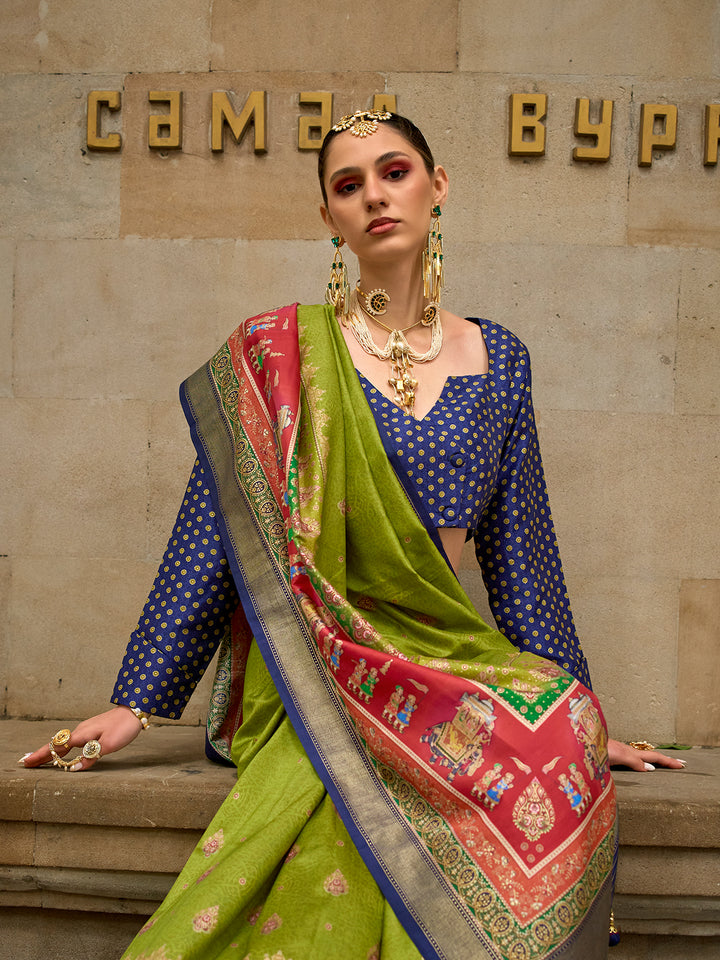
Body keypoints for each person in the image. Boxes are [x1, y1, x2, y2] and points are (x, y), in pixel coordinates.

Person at [21, 110, 684, 960]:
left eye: (395, 171)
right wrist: (139, 701)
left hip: (449, 652)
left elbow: (523, 553)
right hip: (325, 649)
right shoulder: (282, 351)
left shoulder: (500, 359)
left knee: (562, 725)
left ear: (437, 187)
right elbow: (213, 528)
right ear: (329, 216)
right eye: (348, 184)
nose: (374, 194)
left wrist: (585, 708)